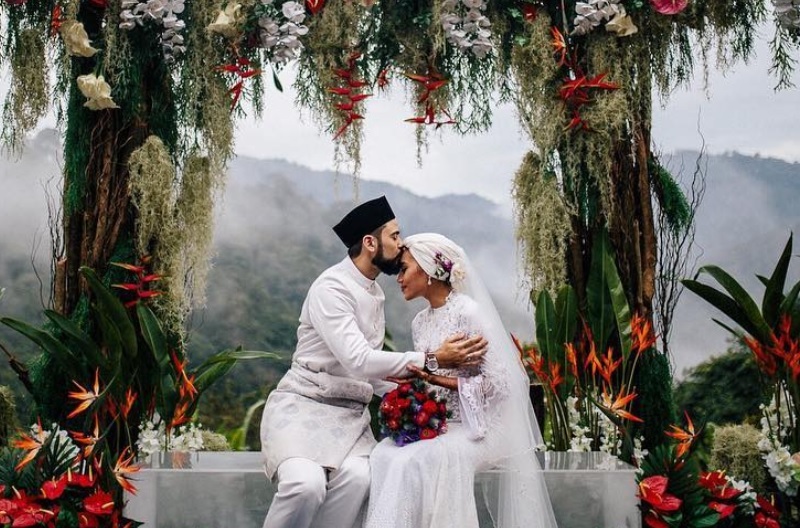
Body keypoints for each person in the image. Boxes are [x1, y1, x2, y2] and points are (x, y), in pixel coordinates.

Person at [259, 198, 488, 528]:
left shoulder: (375, 294)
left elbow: (372, 375)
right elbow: (359, 359)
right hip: (304, 406)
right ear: (370, 243)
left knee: (360, 480)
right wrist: (434, 360)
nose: (401, 244)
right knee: (303, 486)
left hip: (351, 418)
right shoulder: (331, 288)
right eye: (395, 236)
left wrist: (421, 385)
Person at [364, 233, 558, 528]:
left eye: (404, 268)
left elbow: (502, 385)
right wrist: (411, 387)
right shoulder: (420, 322)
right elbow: (427, 379)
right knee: (384, 454)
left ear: (430, 270)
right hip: (444, 424)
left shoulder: (469, 312)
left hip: (482, 427)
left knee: (413, 460)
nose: (399, 277)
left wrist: (438, 379)